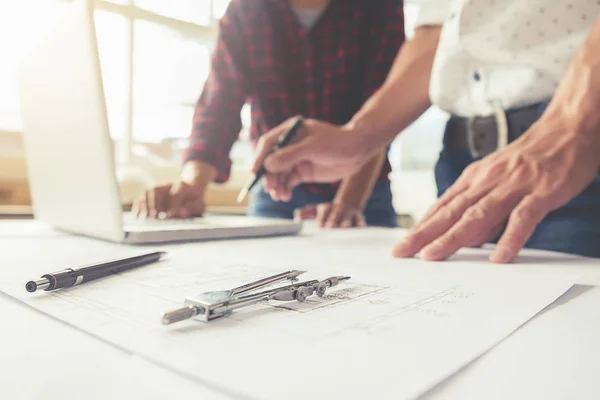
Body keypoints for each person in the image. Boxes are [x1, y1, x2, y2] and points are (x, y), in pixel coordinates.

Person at [252, 2, 600, 262]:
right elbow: (439, 36)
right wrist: (358, 136)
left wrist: (576, 123)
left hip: (577, 163)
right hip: (462, 167)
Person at [132, 0, 405, 229]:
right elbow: (219, 104)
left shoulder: (379, 5)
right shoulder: (246, 9)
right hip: (275, 189)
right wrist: (192, 185)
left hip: (365, 190)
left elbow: (386, 107)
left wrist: (347, 204)